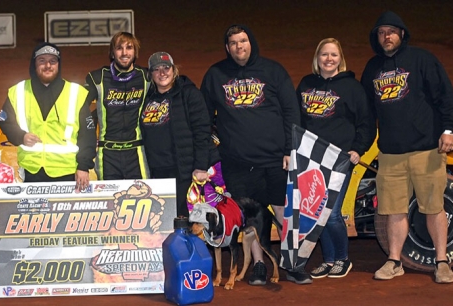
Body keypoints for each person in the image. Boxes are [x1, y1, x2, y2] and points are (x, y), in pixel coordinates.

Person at [200, 24, 304, 285]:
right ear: (227, 47)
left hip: (274, 159)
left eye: (243, 41)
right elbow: (202, 117)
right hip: (237, 163)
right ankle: (258, 265)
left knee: (283, 213)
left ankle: (292, 263)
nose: (239, 46)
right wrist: (213, 151)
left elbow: (292, 112)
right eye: (233, 42)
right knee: (249, 220)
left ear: (251, 42)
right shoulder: (216, 74)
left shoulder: (273, 71)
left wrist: (290, 150)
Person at [361, 11, 453, 283]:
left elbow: (445, 96)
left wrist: (448, 130)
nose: (386, 36)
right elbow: (367, 114)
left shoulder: (422, 59)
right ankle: (394, 261)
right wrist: (359, 145)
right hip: (391, 153)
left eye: (391, 31)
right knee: (394, 210)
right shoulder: (372, 68)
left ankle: (441, 262)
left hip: (426, 149)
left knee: (433, 207)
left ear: (402, 34)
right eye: (381, 32)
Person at [296, 38, 376, 279]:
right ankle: (329, 260)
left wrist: (357, 149)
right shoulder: (306, 84)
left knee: (331, 213)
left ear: (340, 59)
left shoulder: (352, 87)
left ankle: (342, 258)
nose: (328, 59)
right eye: (324, 54)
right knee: (317, 211)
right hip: (311, 158)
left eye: (333, 55)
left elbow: (366, 123)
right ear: (317, 58)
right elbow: (297, 120)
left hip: (339, 158)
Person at [0, 42, 96, 190]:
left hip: (67, 172)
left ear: (59, 65)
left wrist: (83, 166)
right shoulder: (18, 91)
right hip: (32, 171)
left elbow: (87, 134)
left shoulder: (76, 93)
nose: (48, 66)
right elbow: (4, 120)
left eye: (52, 61)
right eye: (42, 61)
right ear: (34, 64)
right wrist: (21, 136)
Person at [140, 51, 220, 218]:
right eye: (156, 69)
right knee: (164, 220)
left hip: (185, 171)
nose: (162, 73)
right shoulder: (146, 99)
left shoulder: (189, 94)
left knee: (190, 221)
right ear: (150, 74)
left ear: (174, 69)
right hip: (157, 172)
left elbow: (202, 131)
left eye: (166, 68)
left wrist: (200, 166)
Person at [85, 32, 150, 180]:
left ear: (135, 52)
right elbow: (79, 109)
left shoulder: (146, 77)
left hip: (137, 151)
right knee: (111, 201)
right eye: (119, 48)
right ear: (112, 53)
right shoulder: (98, 78)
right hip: (107, 154)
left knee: (144, 197)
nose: (125, 53)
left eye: (129, 48)